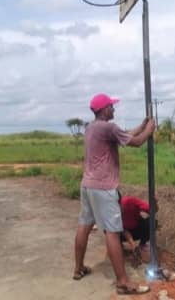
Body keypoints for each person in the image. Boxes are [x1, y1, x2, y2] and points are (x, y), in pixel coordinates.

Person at [72, 93, 155, 295]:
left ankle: (78, 268)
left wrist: (142, 126)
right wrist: (149, 131)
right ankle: (123, 282)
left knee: (84, 225)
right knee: (112, 231)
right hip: (103, 188)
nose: (114, 109)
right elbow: (135, 142)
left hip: (87, 186)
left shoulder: (91, 127)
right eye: (112, 106)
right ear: (103, 109)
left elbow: (124, 135)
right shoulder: (108, 127)